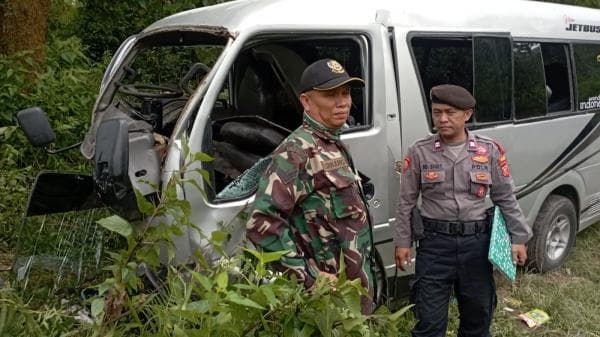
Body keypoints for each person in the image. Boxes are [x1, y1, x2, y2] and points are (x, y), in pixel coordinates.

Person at [393, 84, 533, 337]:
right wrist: (402, 241)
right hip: (434, 245)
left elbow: (505, 197)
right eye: (437, 112)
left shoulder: (489, 150)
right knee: (429, 321)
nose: (442, 119)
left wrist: (519, 237)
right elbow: (406, 201)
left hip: (476, 245)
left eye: (450, 112)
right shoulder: (419, 151)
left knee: (478, 316)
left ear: (467, 114)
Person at [246, 58, 375, 314]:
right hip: (327, 301)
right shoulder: (297, 152)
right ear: (306, 101)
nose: (343, 102)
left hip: (351, 292)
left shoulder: (332, 144)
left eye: (346, 92)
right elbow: (261, 223)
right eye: (330, 95)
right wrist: (308, 277)